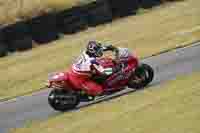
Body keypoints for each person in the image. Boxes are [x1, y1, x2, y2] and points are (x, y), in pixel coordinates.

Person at [67, 41, 138, 96]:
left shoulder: (87, 52)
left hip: (80, 71)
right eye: (98, 51)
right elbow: (103, 72)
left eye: (99, 49)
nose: (100, 51)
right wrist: (116, 69)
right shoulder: (91, 61)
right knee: (99, 90)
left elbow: (99, 49)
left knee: (106, 62)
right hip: (80, 79)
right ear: (93, 51)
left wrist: (111, 47)